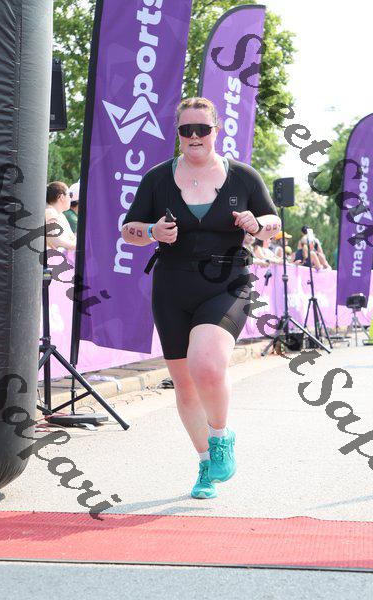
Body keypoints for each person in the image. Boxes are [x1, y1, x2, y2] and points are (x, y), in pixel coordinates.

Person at [121, 97, 281, 500]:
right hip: (172, 285)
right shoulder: (158, 178)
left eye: (202, 129)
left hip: (227, 282)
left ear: (216, 130)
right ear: (178, 133)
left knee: (207, 366)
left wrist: (257, 223)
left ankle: (221, 436)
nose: (194, 136)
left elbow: (274, 223)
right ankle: (206, 463)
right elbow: (128, 230)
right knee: (185, 384)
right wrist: (152, 232)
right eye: (186, 130)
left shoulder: (242, 177)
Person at [45, 181, 77, 252]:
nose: (71, 199)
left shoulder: (60, 215)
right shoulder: (50, 212)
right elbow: (55, 240)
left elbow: (72, 238)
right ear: (62, 197)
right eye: (70, 194)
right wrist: (79, 246)